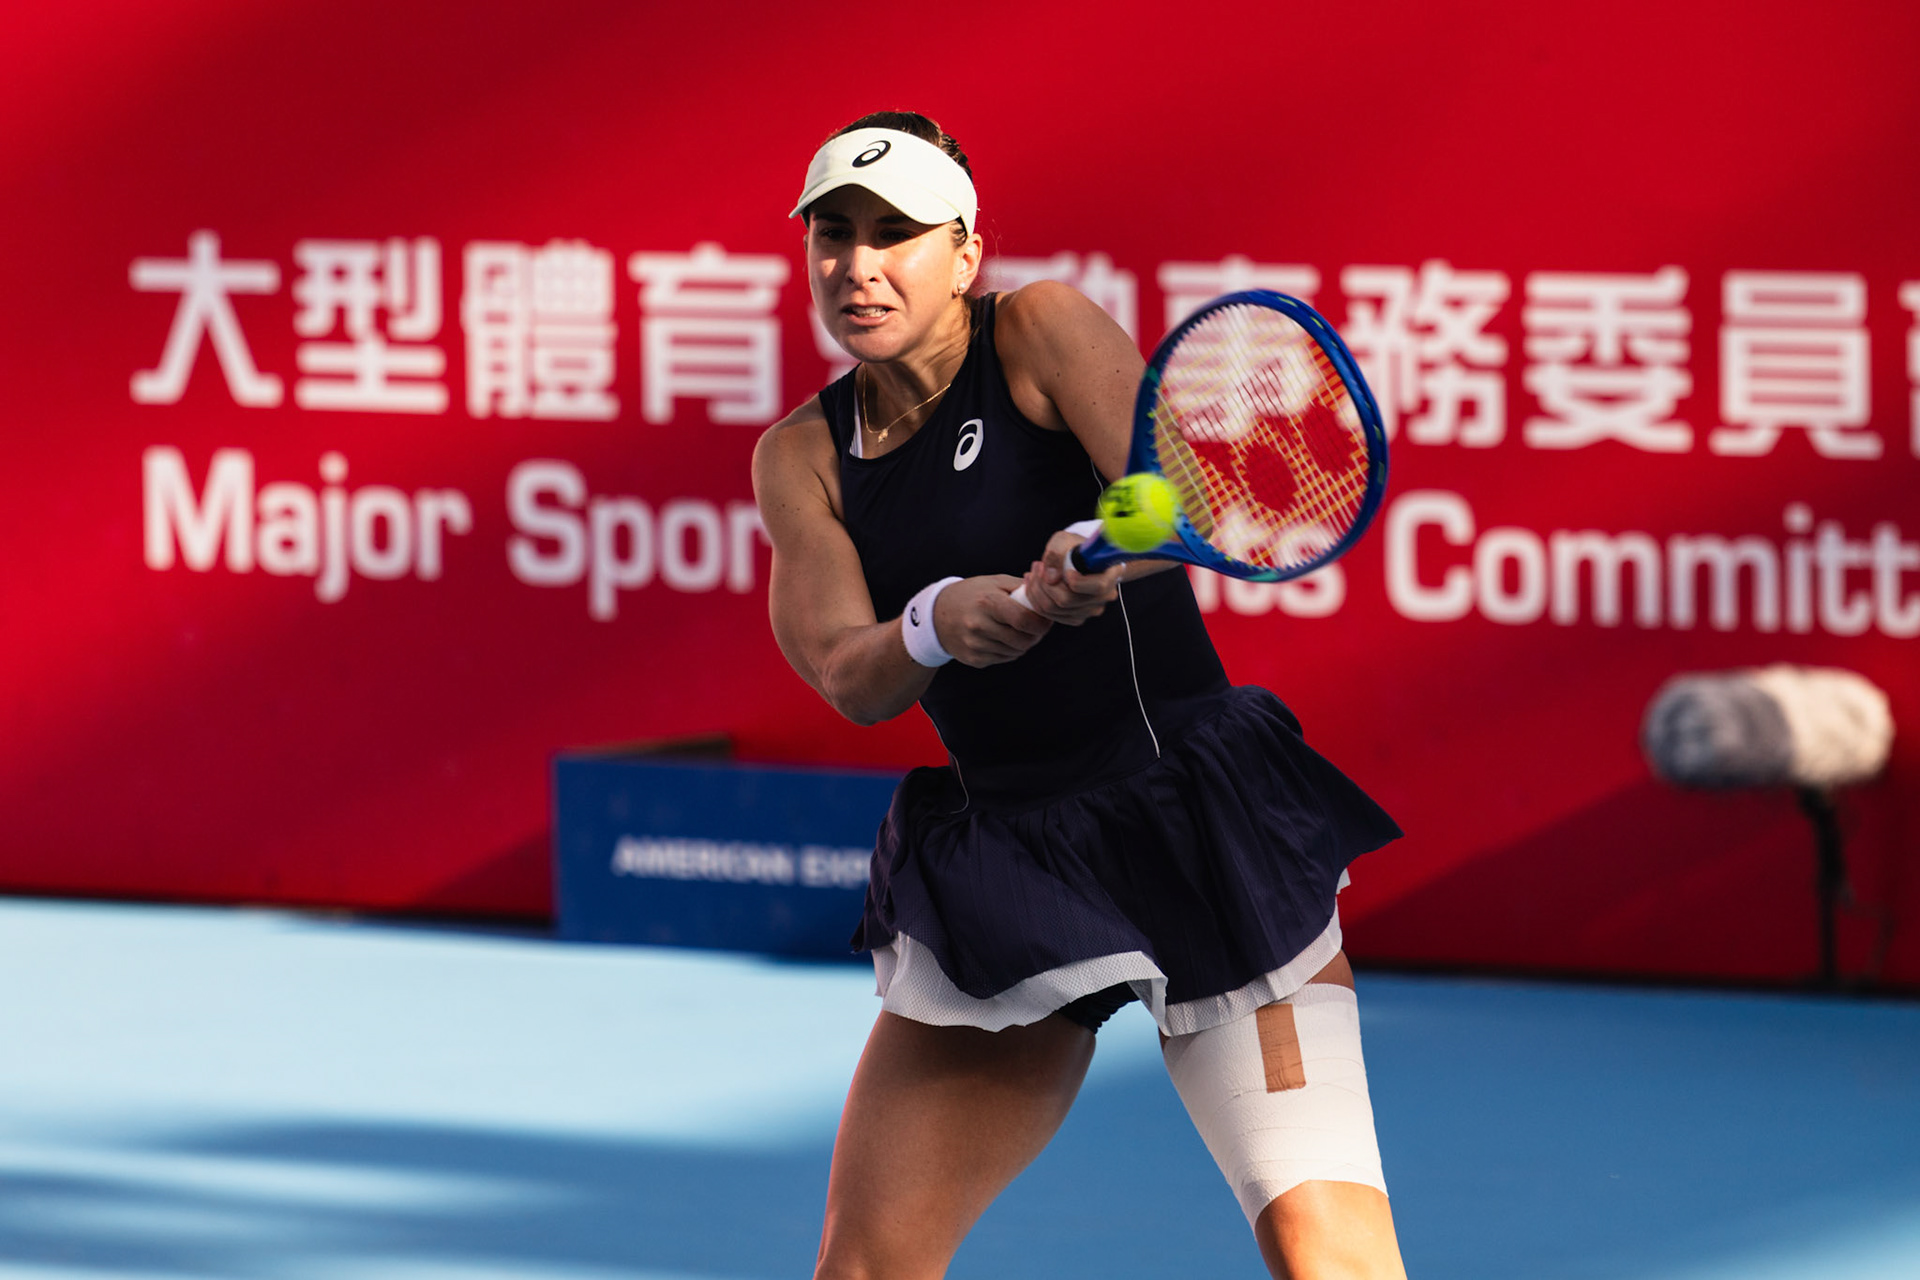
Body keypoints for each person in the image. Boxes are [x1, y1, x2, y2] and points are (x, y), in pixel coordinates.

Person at [752, 110, 1409, 1280]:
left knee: (1328, 1256)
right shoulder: (801, 454)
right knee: (866, 1266)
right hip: (1011, 862)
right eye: (834, 235)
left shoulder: (1039, 329)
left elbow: (1181, 497)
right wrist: (936, 618)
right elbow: (849, 673)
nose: (858, 264)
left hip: (1197, 829)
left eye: (895, 233)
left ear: (963, 252)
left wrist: (1086, 553)